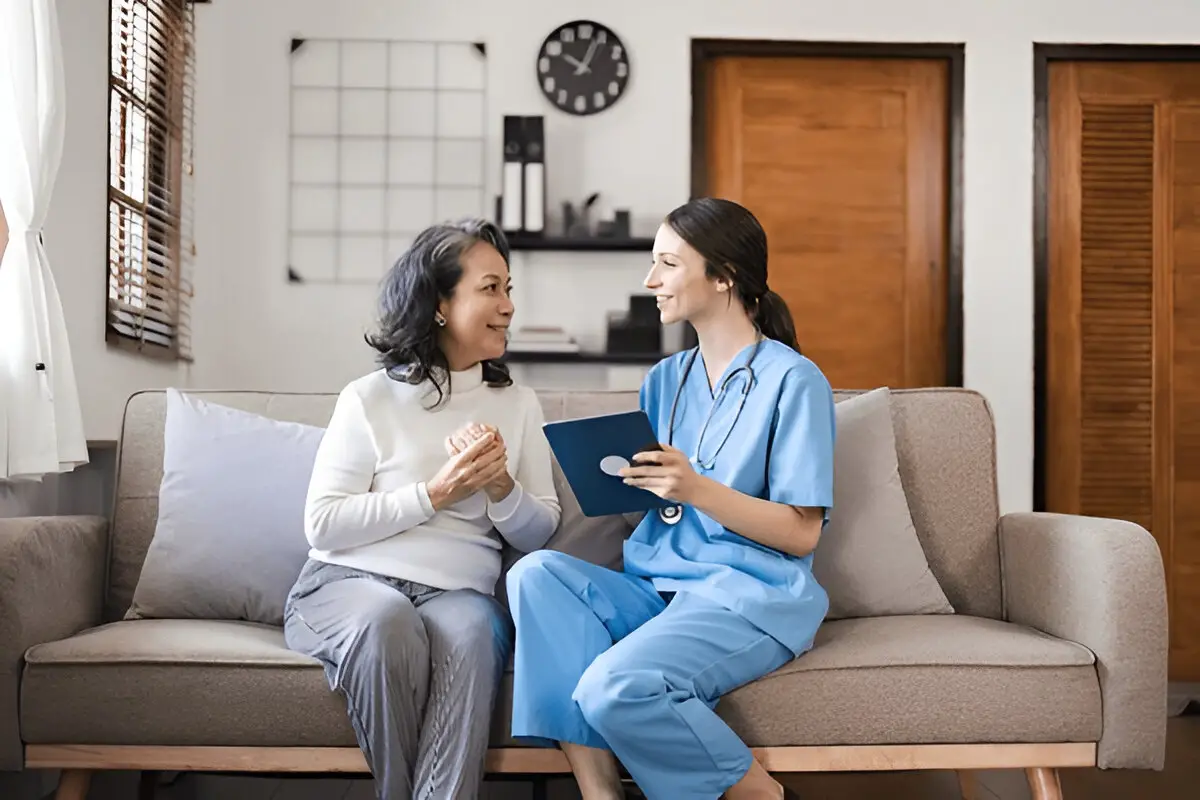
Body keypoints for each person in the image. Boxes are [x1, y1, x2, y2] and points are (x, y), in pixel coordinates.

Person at [505, 197, 834, 800]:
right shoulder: (664, 379)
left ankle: (763, 794)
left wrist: (696, 488)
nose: (650, 280)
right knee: (535, 574)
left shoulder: (794, 380)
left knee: (614, 687)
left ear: (723, 276)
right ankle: (600, 793)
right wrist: (626, 482)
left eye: (668, 264)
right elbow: (658, 514)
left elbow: (800, 533)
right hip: (657, 588)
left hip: (746, 597)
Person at [284, 218, 562, 800]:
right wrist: (434, 494)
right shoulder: (369, 398)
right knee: (386, 621)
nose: (508, 306)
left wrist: (501, 487)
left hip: (458, 594)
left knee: (473, 631)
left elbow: (539, 532)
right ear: (439, 304)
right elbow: (324, 523)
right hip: (348, 584)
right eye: (490, 288)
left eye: (509, 288)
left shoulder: (518, 404)